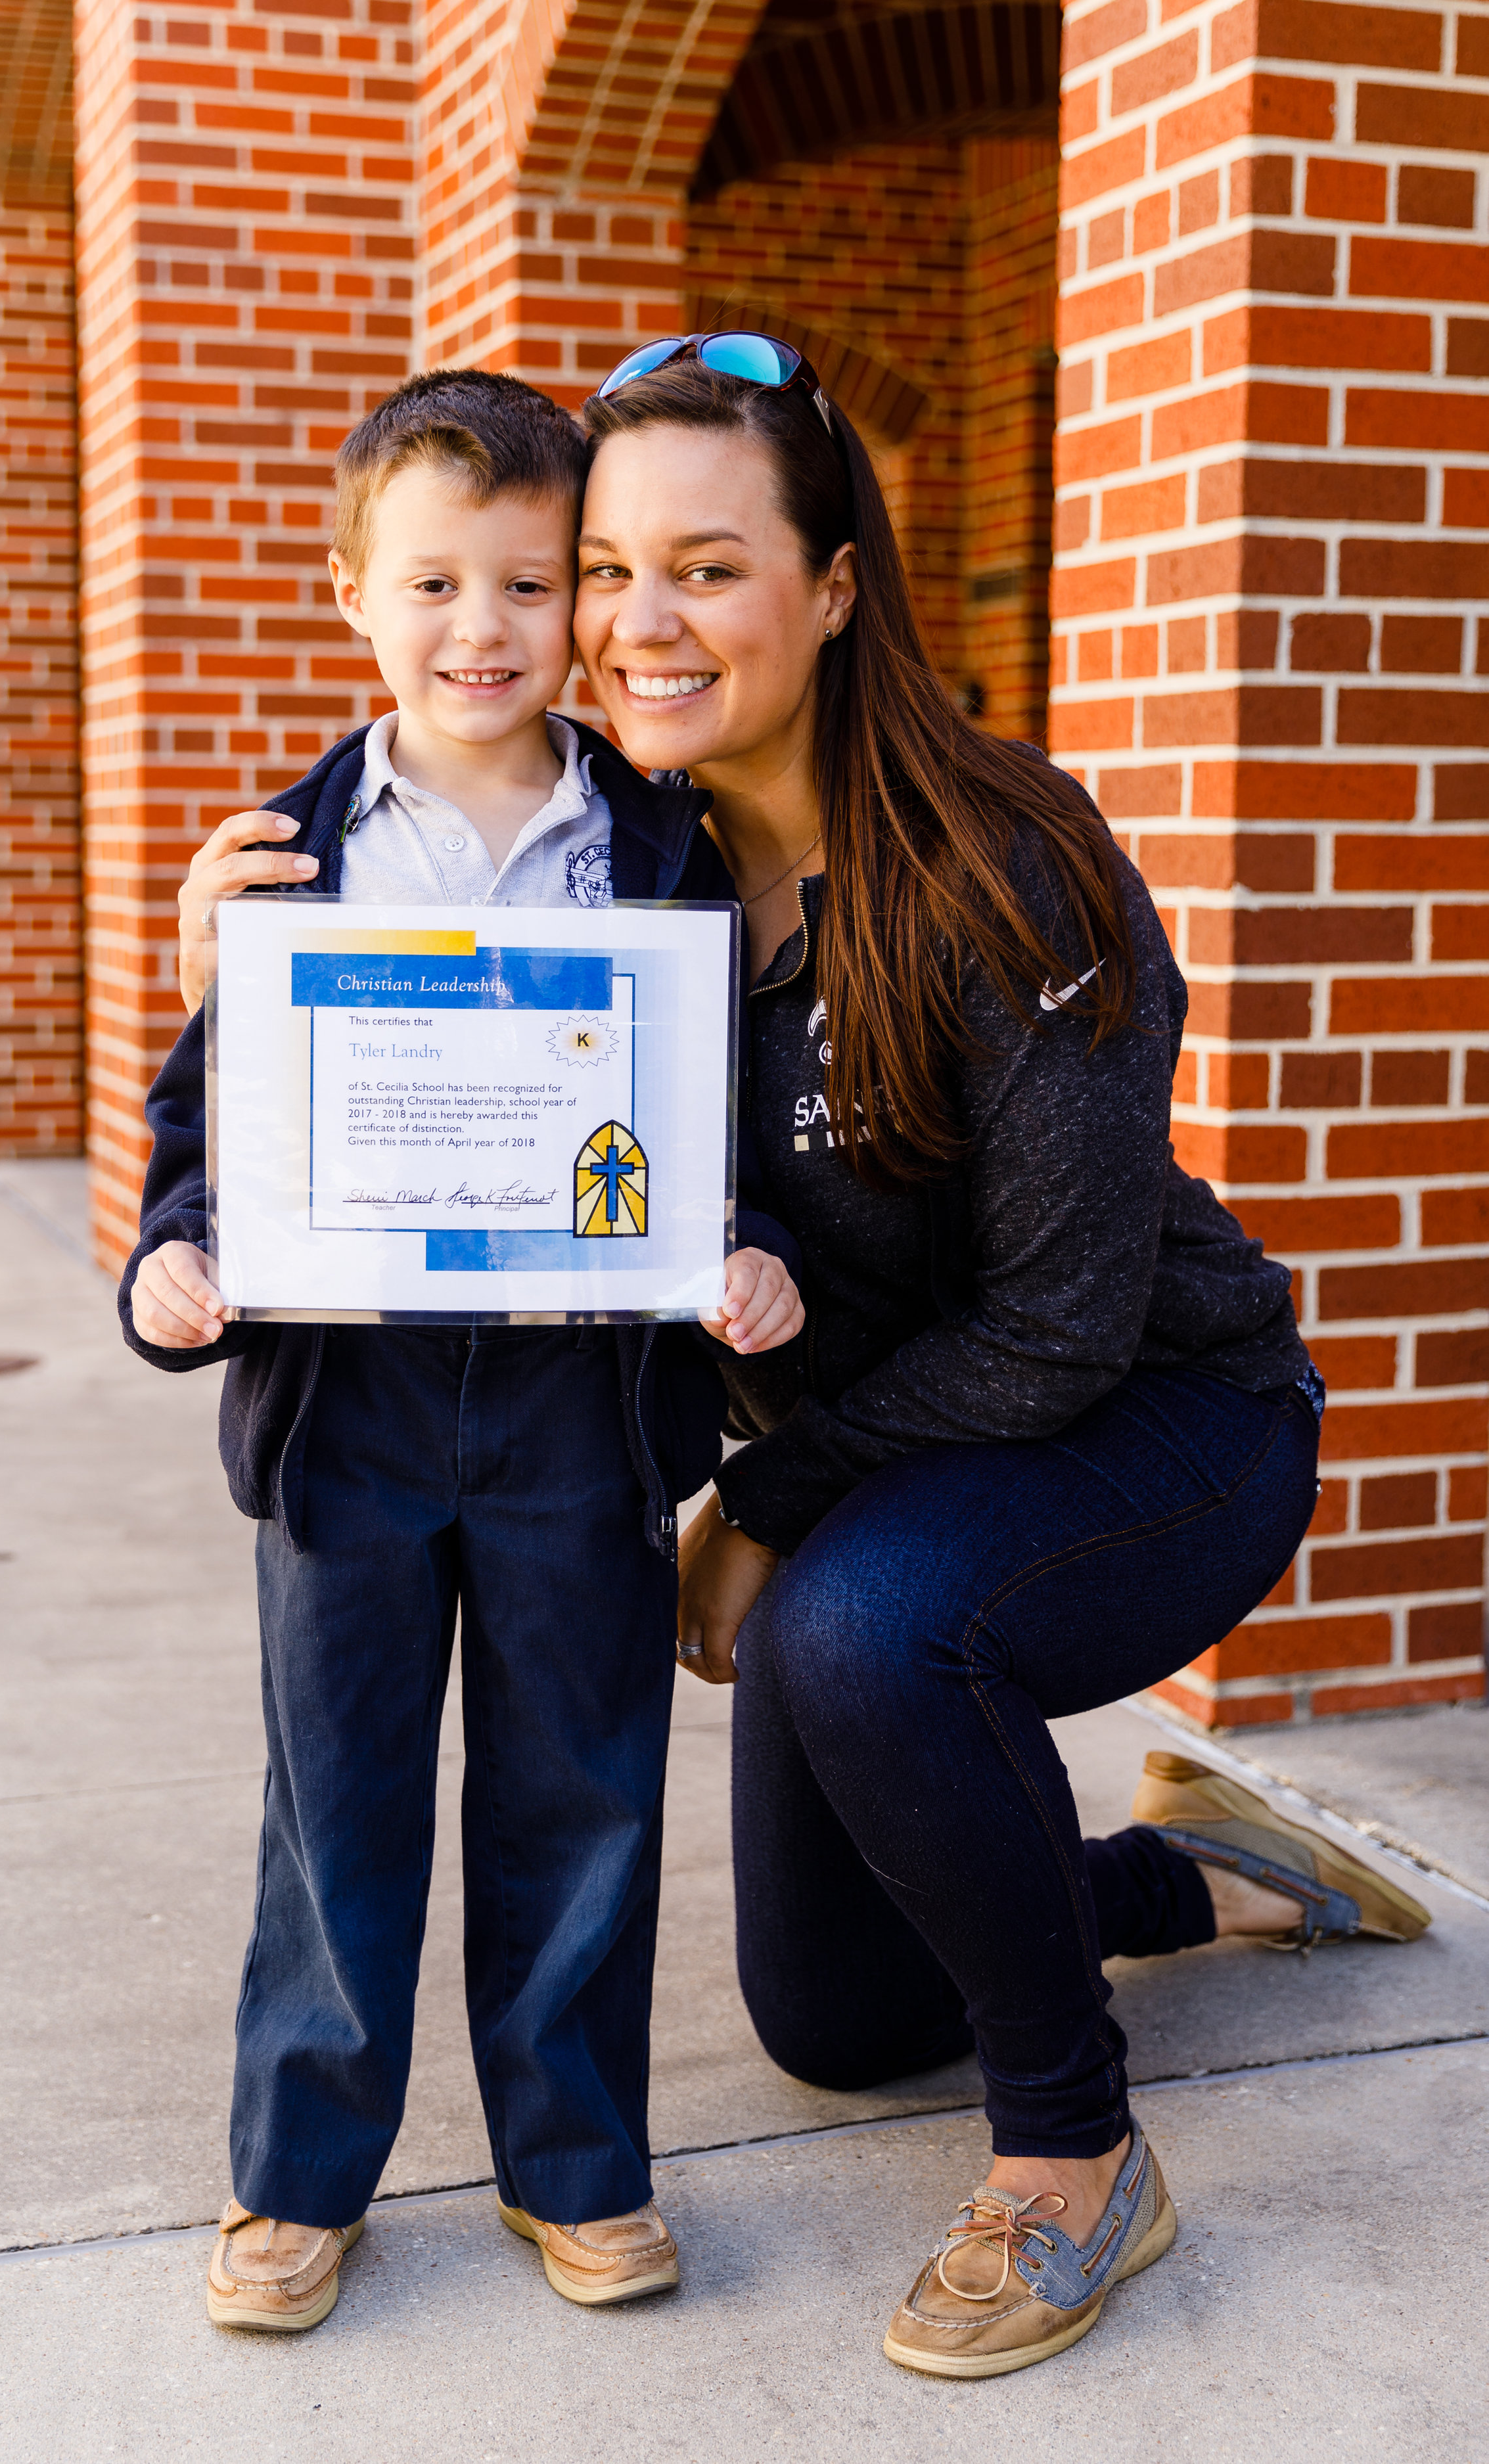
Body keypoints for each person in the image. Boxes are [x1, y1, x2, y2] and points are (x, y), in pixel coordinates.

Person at [570, 334, 1430, 2380]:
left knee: (851, 1633)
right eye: (604, 569)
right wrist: (225, 952)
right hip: (889, 1466)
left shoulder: (996, 857)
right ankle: (1187, 1868)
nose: (637, 624)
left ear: (836, 582)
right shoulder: (628, 872)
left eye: (704, 564)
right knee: (840, 2023)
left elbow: (1057, 1326)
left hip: (1167, 1425)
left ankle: (1073, 2160)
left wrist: (758, 1506)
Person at [121, 370, 805, 2333]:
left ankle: (574, 2168)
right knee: (334, 1797)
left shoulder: (660, 853)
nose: (484, 629)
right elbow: (200, 1139)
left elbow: (715, 1133)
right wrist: (176, 1270)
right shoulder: (275, 859)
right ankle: (297, 2174)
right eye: (433, 583)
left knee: (579, 1790)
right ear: (353, 592)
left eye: (526, 582)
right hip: (350, 1406)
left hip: (577, 1406)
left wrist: (740, 1256)